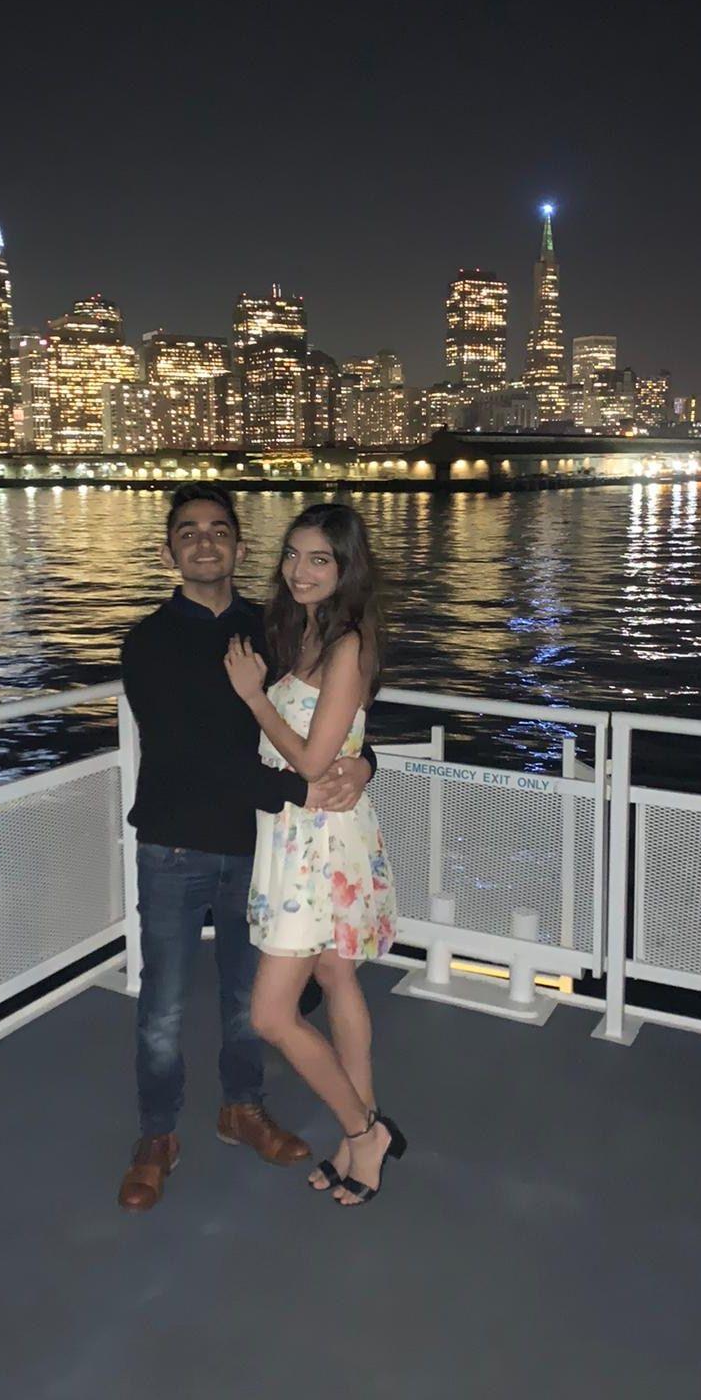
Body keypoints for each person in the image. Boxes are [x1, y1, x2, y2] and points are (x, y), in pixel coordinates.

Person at [116, 485, 376, 1214]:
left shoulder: (276, 629)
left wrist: (365, 763)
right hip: (175, 845)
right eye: (188, 532)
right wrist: (303, 789)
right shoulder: (148, 641)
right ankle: (157, 1135)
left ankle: (243, 1108)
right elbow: (190, 753)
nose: (205, 542)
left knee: (245, 997)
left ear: (239, 545)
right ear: (168, 552)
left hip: (259, 848)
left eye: (219, 530)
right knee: (164, 1004)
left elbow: (333, 714)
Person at [222, 502, 407, 1208]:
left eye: (318, 559)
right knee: (335, 974)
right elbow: (335, 748)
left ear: (346, 568)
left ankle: (365, 1132)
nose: (299, 571)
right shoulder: (301, 630)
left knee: (272, 1015)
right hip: (299, 834)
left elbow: (310, 759)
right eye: (292, 555)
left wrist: (253, 698)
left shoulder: (347, 645)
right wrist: (362, 761)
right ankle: (357, 1138)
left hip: (318, 844)